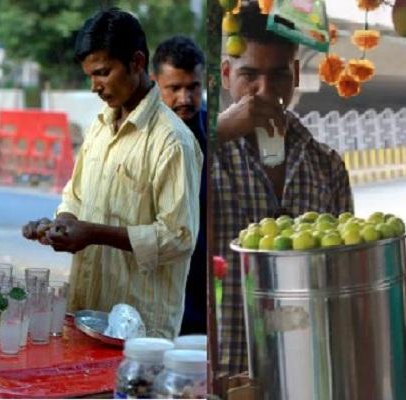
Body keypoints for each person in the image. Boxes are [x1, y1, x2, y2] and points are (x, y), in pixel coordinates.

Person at [22, 8, 203, 339]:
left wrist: (93, 233)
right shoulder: (100, 126)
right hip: (86, 312)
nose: (95, 86)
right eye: (90, 76)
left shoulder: (172, 140)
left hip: (139, 333)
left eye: (103, 73)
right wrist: (58, 225)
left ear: (136, 62)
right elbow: (74, 195)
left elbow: (179, 237)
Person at [213, 5, 353, 375]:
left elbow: (344, 276)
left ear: (294, 75)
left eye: (277, 76)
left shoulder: (326, 166)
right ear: (227, 75)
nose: (264, 91)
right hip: (227, 369)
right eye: (249, 75)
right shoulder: (205, 157)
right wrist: (218, 131)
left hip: (306, 364)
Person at [152, 36, 207, 335]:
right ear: (155, 83)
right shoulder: (145, 137)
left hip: (204, 286)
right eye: (174, 89)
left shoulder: (218, 135)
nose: (184, 98)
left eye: (193, 87)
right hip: (157, 288)